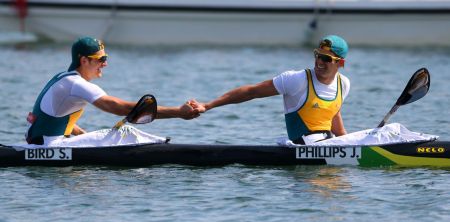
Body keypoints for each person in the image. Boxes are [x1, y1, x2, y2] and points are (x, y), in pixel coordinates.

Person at [26, 36, 200, 145]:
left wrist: (87, 137)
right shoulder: (76, 84)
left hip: (41, 142)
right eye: (101, 59)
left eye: (106, 58)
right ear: (84, 60)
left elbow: (59, 118)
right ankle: (166, 149)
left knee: (109, 135)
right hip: (49, 146)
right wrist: (178, 112)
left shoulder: (63, 77)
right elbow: (119, 108)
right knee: (125, 133)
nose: (105, 63)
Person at [191, 35, 350, 144]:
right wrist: (208, 105)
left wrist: (354, 145)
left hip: (328, 145)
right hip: (301, 151)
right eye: (317, 55)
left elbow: (333, 116)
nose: (319, 61)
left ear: (340, 63)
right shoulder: (297, 79)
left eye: (326, 58)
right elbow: (251, 92)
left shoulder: (343, 84)